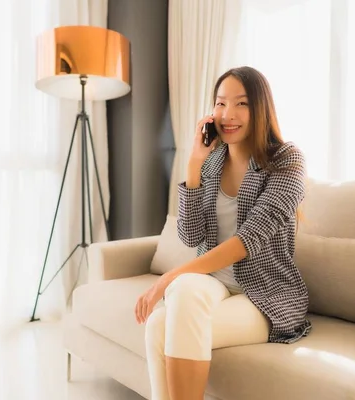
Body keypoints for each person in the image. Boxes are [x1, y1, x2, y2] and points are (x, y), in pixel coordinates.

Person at [134, 66, 312, 400]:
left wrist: (165, 280)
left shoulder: (287, 161)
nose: (227, 114)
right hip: (212, 283)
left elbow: (246, 241)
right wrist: (194, 164)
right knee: (173, 303)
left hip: (263, 296)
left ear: (260, 108)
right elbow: (189, 235)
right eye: (220, 103)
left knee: (165, 317)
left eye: (241, 104)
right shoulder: (213, 163)